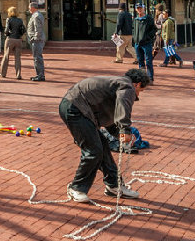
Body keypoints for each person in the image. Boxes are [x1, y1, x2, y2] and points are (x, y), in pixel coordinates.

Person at [59, 68, 151, 203]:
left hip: (78, 110)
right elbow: (123, 106)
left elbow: (110, 120)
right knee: (93, 151)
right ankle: (76, 188)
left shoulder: (116, 86)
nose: (138, 95)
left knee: (103, 149)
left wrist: (121, 135)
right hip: (76, 109)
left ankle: (114, 186)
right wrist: (125, 129)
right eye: (140, 90)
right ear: (137, 84)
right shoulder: (127, 86)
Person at [131, 3, 157, 81]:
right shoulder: (135, 20)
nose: (139, 10)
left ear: (144, 8)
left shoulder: (149, 19)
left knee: (148, 61)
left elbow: (154, 29)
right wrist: (134, 38)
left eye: (140, 8)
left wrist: (147, 37)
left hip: (146, 44)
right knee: (140, 62)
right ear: (136, 9)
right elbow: (133, 29)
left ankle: (150, 78)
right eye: (138, 8)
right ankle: (142, 78)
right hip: (137, 44)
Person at [0, 6, 24, 79]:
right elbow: (23, 29)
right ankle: (18, 74)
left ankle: (3, 73)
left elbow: (6, 30)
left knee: (6, 56)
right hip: (18, 40)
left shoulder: (9, 19)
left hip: (10, 39)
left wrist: (5, 34)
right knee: (18, 58)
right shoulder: (20, 20)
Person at [27, 2, 46, 81]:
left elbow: (38, 28)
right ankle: (39, 74)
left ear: (33, 7)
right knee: (37, 57)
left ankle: (40, 75)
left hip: (37, 40)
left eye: (29, 7)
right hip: (37, 40)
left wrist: (35, 38)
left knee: (37, 58)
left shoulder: (36, 16)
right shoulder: (36, 15)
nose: (29, 9)